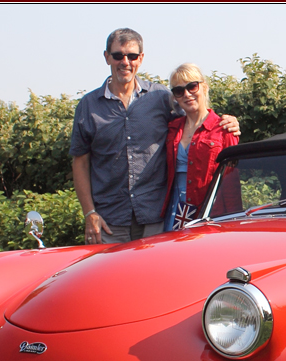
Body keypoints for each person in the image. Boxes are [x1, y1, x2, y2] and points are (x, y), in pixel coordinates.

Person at [70, 28, 240, 244]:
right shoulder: (88, 105)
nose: (125, 62)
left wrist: (228, 122)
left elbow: (196, 117)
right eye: (118, 55)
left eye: (132, 56)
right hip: (108, 219)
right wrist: (89, 212)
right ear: (107, 57)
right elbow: (80, 161)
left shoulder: (160, 97)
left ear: (140, 58)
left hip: (156, 217)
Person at [163, 64, 239, 231]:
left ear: (204, 87)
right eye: (179, 91)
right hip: (175, 209)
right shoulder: (172, 128)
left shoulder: (224, 129)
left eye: (192, 86)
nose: (187, 94)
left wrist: (233, 221)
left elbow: (231, 181)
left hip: (209, 210)